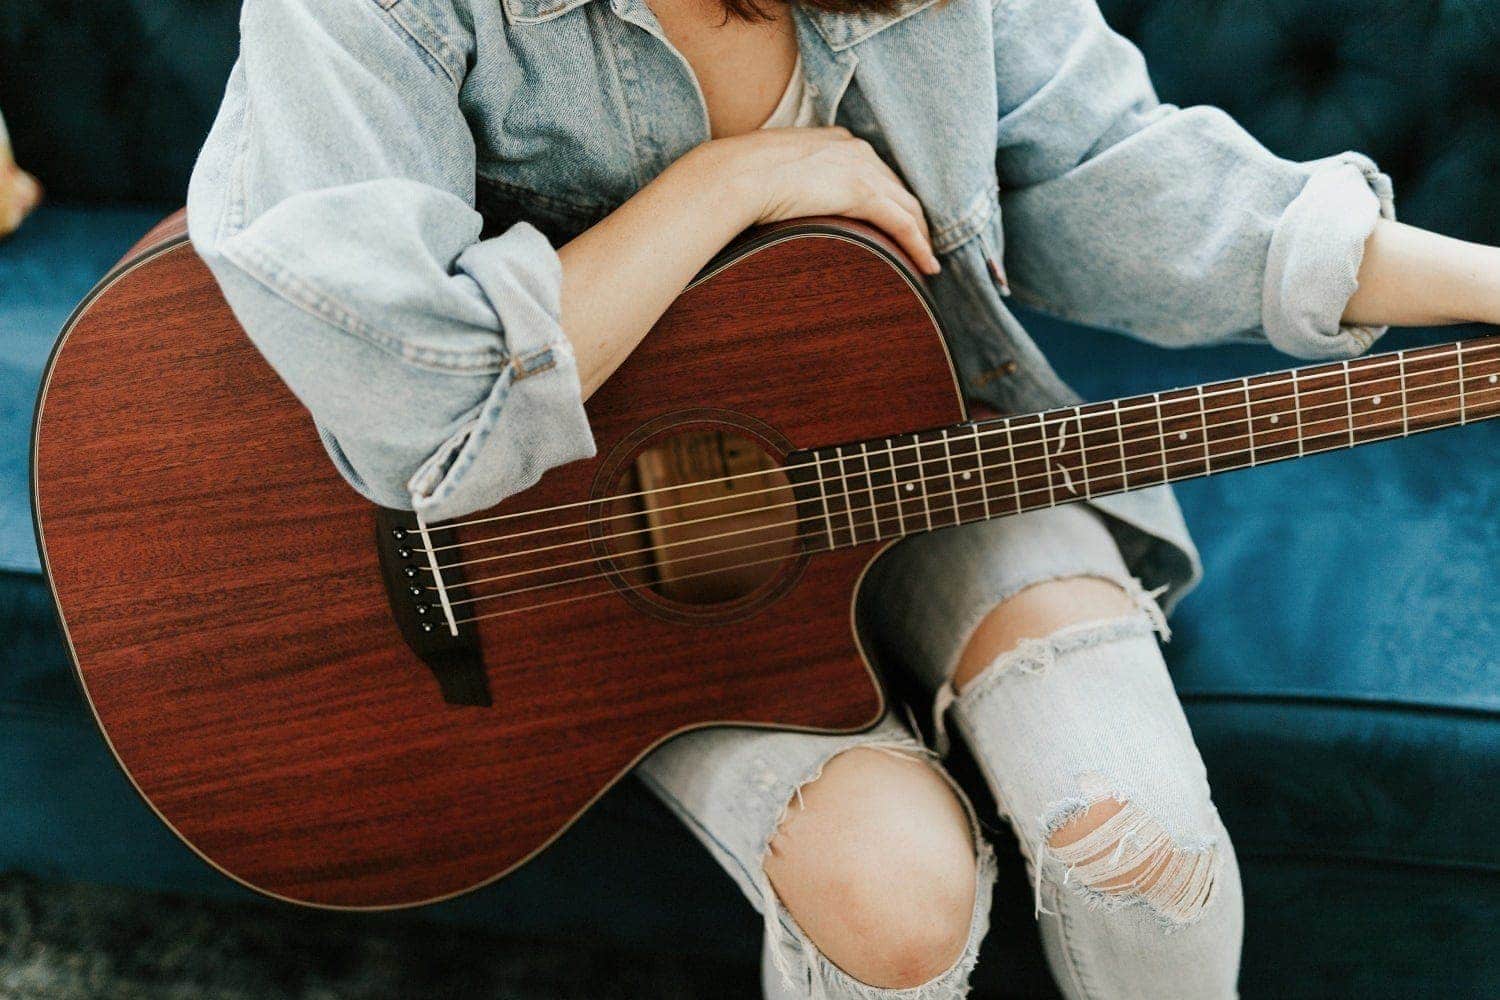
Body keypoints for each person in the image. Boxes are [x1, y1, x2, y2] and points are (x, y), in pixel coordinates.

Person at [186, 0, 1500, 995]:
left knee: (1143, 849)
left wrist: (1483, 285)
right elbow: (409, 385)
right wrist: (732, 182)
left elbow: (1123, 178)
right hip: (567, 575)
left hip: (928, 450)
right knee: (893, 899)